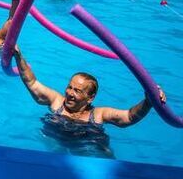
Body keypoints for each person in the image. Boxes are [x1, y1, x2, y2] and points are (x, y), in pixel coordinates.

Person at [12, 45, 166, 156]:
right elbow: (32, 83)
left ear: (90, 97)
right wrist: (19, 57)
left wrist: (149, 101)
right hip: (56, 143)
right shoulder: (57, 102)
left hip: (89, 148)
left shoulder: (98, 114)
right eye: (69, 87)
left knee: (106, 157)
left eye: (77, 91)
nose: (70, 93)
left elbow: (129, 117)